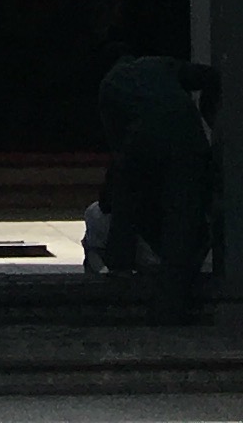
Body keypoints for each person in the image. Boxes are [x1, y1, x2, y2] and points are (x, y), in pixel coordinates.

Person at [94, 51, 219, 322]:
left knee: (129, 205)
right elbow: (211, 76)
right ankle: (171, 301)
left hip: (145, 142)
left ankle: (120, 272)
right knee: (182, 220)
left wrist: (109, 196)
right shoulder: (159, 65)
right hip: (186, 139)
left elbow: (119, 155)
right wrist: (211, 117)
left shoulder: (109, 85)